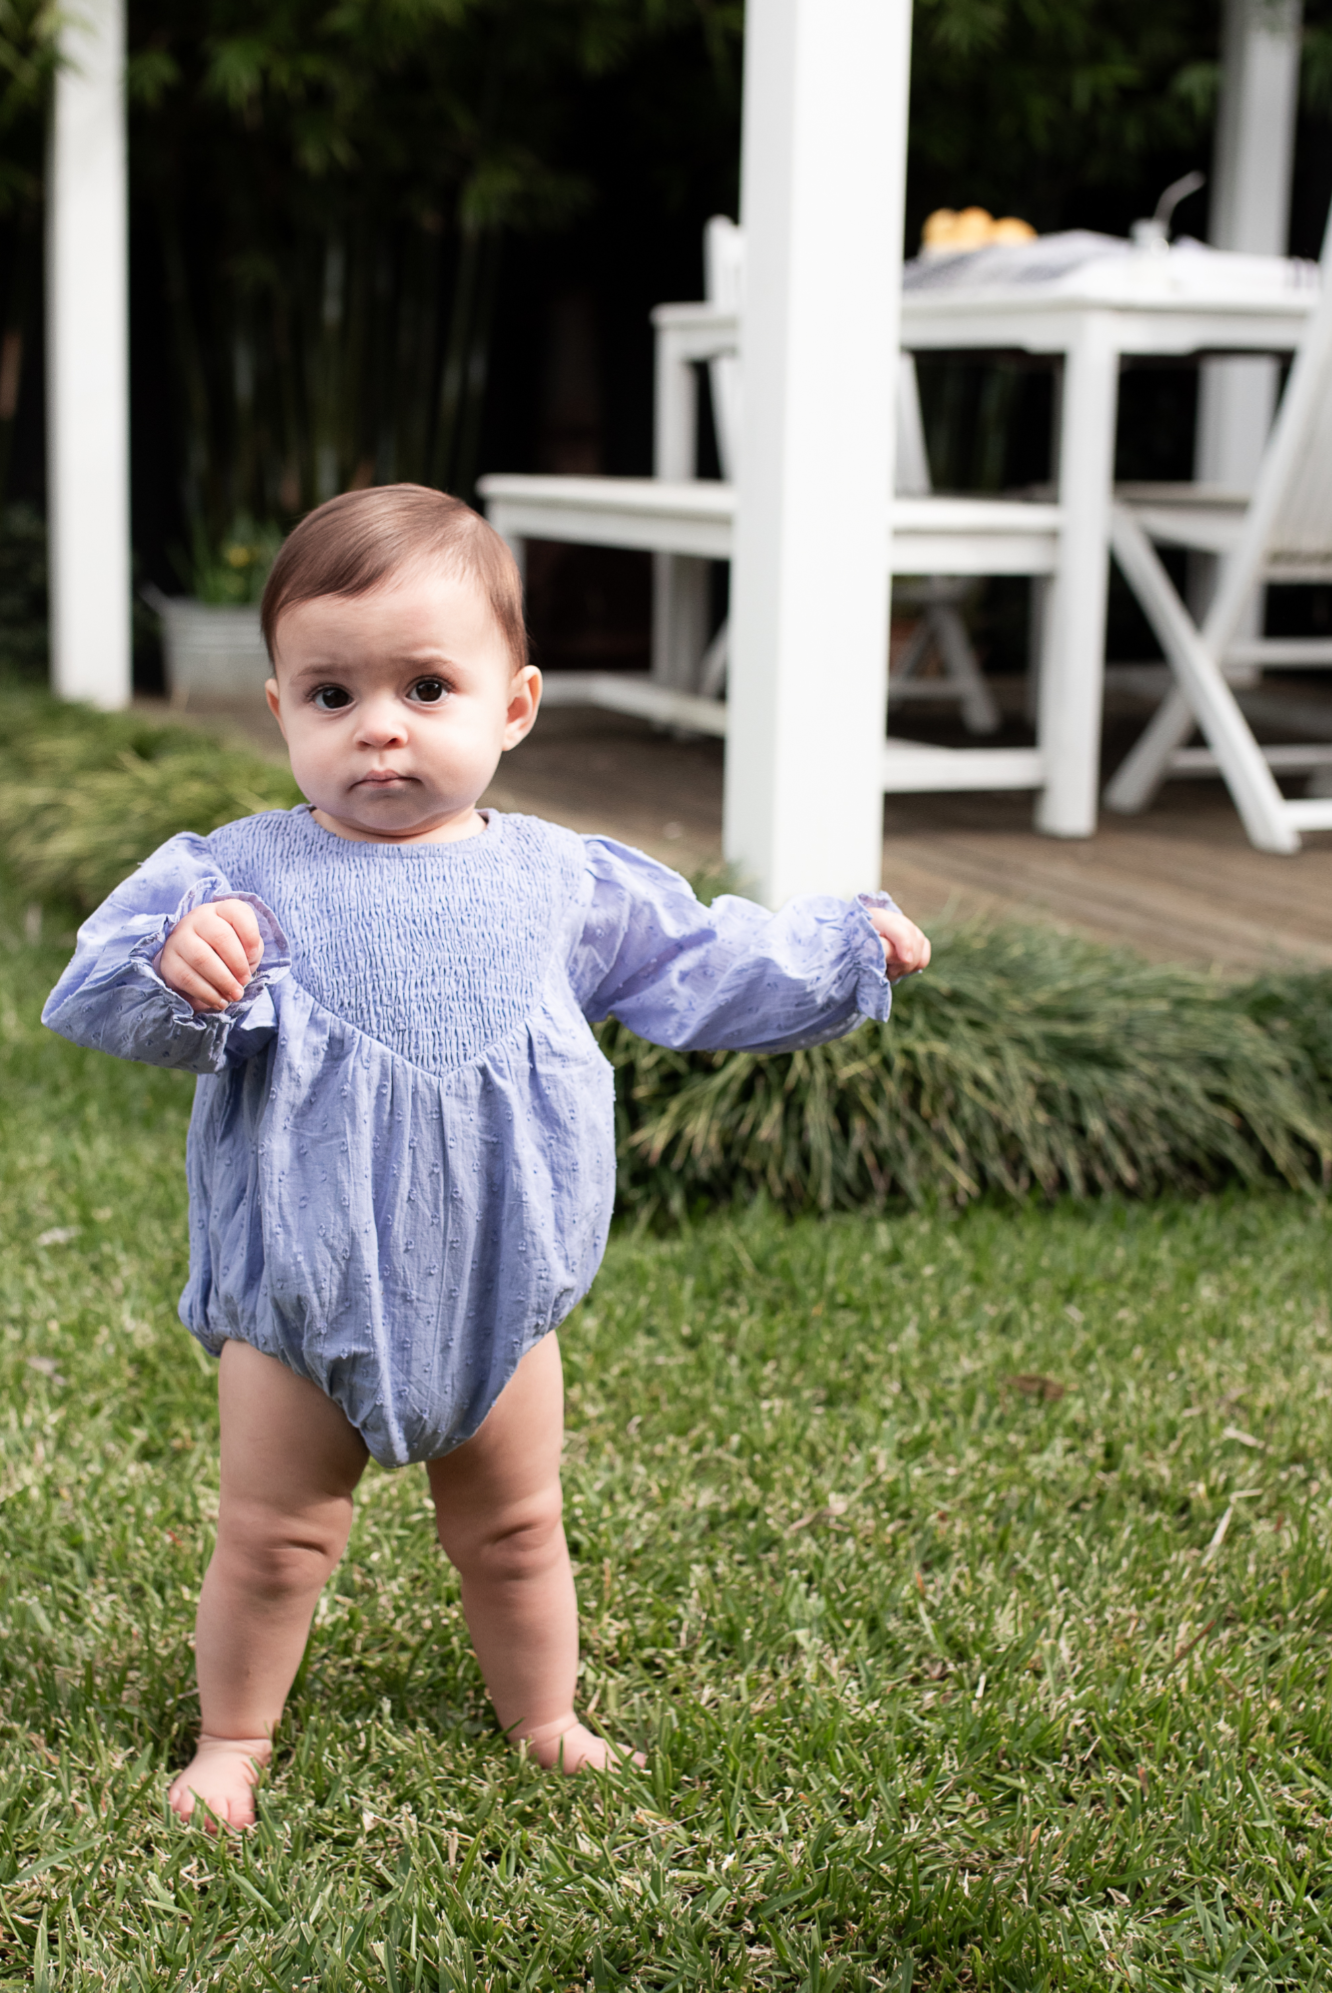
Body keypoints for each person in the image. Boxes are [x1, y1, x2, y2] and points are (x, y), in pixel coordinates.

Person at [43, 484, 931, 1831]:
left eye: (426, 686)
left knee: (518, 1531)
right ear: (280, 709)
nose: (379, 725)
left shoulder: (567, 884)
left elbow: (703, 965)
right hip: (304, 1294)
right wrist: (179, 969)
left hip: (504, 1292)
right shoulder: (239, 878)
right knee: (275, 1537)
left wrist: (838, 949)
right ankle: (233, 1738)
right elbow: (99, 986)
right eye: (332, 696)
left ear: (513, 707)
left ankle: (544, 1716)